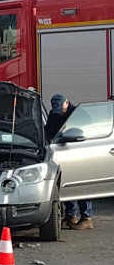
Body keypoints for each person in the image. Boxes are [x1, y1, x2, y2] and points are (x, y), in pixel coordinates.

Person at [45, 93, 93, 231]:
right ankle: (70, 216)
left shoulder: (80, 114)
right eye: (56, 110)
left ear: (67, 103)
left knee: (82, 184)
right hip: (62, 153)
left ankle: (87, 218)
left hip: (81, 154)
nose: (59, 113)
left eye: (61, 109)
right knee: (66, 184)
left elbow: (87, 133)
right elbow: (48, 131)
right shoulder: (53, 114)